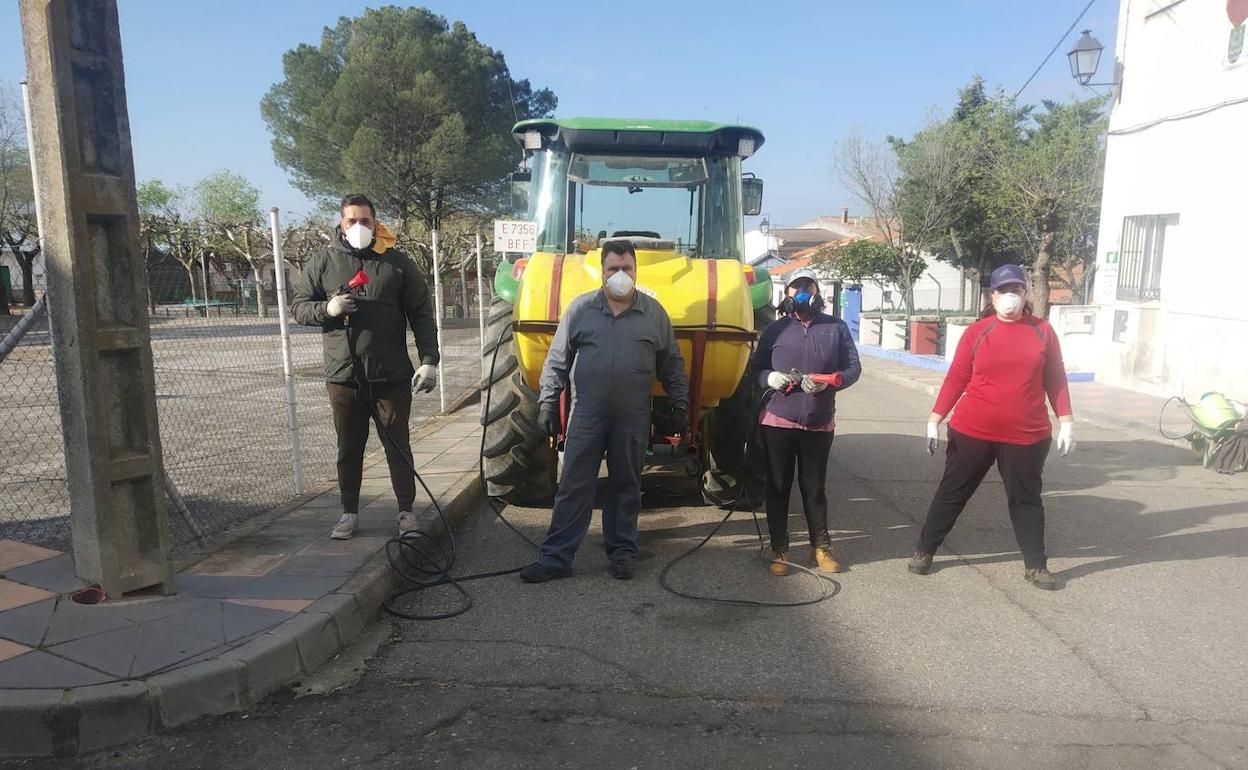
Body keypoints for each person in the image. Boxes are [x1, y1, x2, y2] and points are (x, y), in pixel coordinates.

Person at [520, 240, 690, 583]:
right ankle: (557, 557)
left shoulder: (654, 314)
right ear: (602, 272)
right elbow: (557, 359)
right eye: (613, 269)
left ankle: (622, 553)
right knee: (574, 485)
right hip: (588, 413)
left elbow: (671, 364)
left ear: (636, 271)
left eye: (627, 269)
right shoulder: (580, 310)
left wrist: (679, 402)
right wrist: (548, 402)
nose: (621, 275)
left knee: (626, 485)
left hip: (633, 416)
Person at [910, 264, 1075, 590]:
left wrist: (1066, 421)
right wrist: (935, 418)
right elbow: (957, 376)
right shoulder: (978, 331)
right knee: (952, 493)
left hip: (1027, 436)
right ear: (993, 295)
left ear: (1026, 293)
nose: (1010, 296)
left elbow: (1055, 377)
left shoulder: (1043, 331)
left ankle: (1036, 566)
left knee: (1026, 500)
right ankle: (925, 550)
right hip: (973, 431)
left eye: (1017, 289)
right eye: (1004, 290)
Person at [290, 194, 440, 540]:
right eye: (351, 221)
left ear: (376, 223)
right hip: (344, 376)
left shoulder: (397, 263)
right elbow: (299, 307)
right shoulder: (324, 261)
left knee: (398, 445)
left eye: (365, 221)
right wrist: (327, 309)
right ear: (340, 226)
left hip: (391, 375)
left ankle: (406, 512)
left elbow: (421, 313)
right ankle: (348, 513)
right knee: (349, 447)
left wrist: (429, 360)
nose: (359, 227)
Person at [752, 268, 861, 576]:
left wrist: (832, 382)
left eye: (807, 287)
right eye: (795, 288)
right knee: (778, 487)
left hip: (818, 422)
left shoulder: (835, 328)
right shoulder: (775, 329)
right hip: (777, 421)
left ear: (818, 292)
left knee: (814, 488)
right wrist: (769, 377)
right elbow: (756, 368)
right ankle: (780, 548)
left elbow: (853, 368)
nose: (802, 293)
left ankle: (821, 548)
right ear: (786, 294)